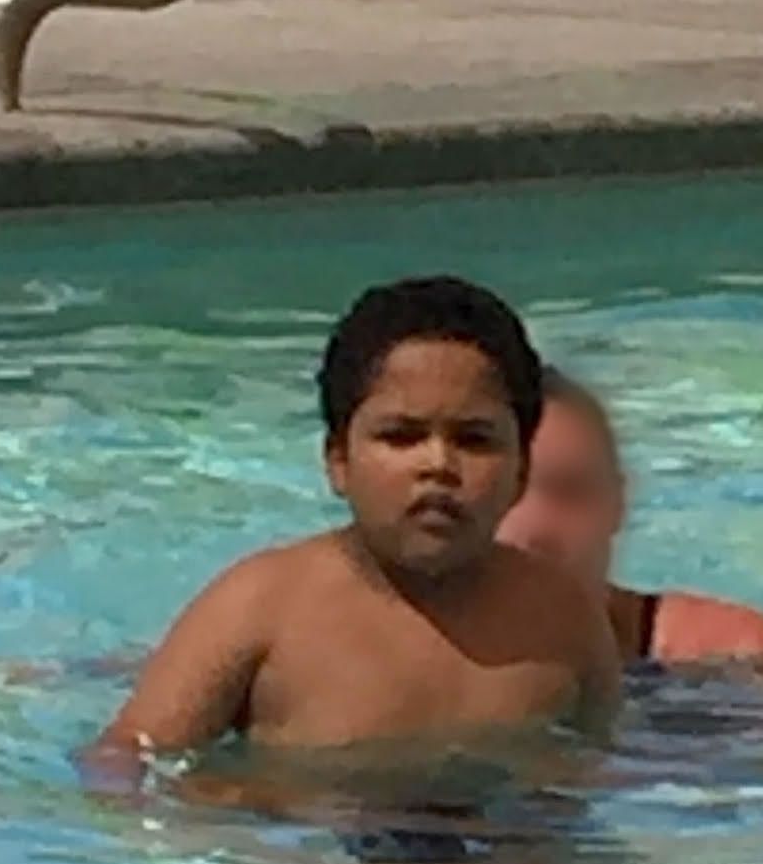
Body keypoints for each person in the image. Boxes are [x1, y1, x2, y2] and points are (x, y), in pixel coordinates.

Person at [97, 276, 619, 766]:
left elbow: (602, 766)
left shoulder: (562, 618)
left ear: (522, 470)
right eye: (400, 435)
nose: (437, 464)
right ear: (338, 461)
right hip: (309, 848)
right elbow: (125, 767)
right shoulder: (261, 606)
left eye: (474, 439)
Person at [500, 367, 763, 672]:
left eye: (570, 492)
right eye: (505, 494)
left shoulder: (732, 654)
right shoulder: (451, 677)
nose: (535, 528)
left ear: (617, 504)